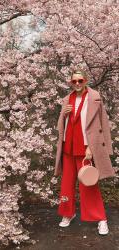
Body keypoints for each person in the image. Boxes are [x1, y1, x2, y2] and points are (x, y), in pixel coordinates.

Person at [54, 69, 116, 235]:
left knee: (89, 185)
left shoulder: (94, 98)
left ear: (86, 80)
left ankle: (101, 219)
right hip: (68, 147)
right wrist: (63, 114)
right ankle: (68, 213)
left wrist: (91, 146)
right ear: (71, 82)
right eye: (74, 81)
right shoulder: (68, 99)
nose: (77, 84)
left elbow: (102, 124)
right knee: (66, 184)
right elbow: (61, 126)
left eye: (80, 80)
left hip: (85, 148)